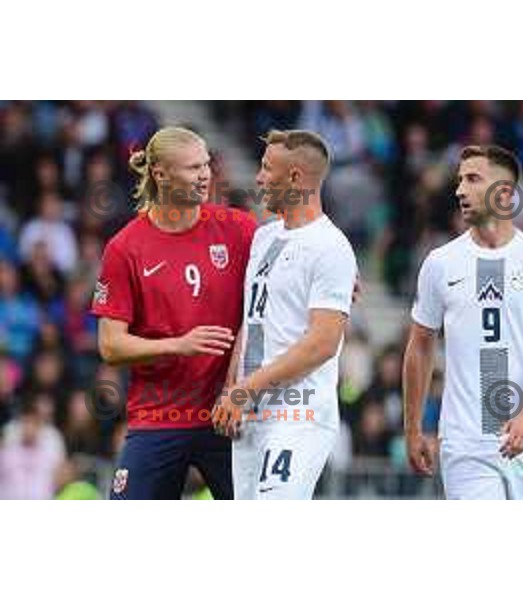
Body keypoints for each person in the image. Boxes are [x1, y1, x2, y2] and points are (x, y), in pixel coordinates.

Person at [90, 127, 256, 499]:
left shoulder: (239, 228)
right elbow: (111, 346)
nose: (205, 175)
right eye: (193, 167)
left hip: (227, 415)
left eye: (206, 165)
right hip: (158, 417)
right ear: (161, 173)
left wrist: (338, 271)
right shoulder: (125, 247)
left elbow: (293, 259)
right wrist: (178, 345)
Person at [403, 145, 523, 500]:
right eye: (459, 180)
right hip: (465, 442)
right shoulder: (440, 263)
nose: (459, 190)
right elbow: (420, 346)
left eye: (472, 179)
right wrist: (413, 427)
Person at [213, 129, 358, 500]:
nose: (259, 177)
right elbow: (252, 319)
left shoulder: (330, 246)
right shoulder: (264, 238)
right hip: (250, 414)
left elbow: (323, 343)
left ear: (295, 177)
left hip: (298, 414)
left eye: (266, 168)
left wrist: (247, 389)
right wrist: (233, 390)